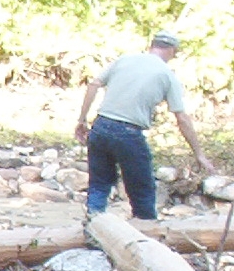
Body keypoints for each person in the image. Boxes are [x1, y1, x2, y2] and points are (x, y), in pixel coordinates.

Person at [73, 31, 215, 220]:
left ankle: (93, 223)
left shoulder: (124, 60)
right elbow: (181, 118)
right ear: (172, 50)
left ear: (152, 45)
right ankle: (146, 229)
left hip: (101, 125)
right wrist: (199, 153)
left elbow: (94, 84)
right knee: (142, 191)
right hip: (129, 133)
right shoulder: (167, 75)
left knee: (99, 184)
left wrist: (82, 119)